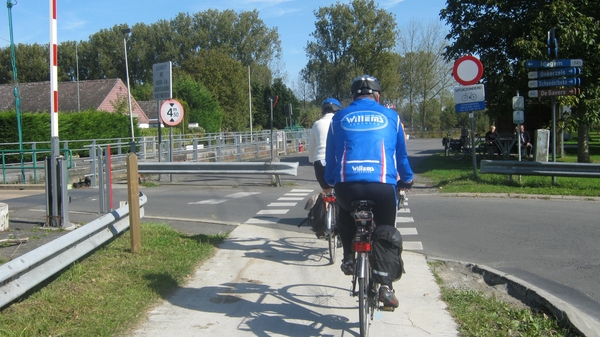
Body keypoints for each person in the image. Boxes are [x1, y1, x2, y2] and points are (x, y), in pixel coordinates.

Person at [324, 75, 414, 308]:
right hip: (382, 186)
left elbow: (331, 157)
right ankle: (385, 287)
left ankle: (348, 259)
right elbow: (401, 156)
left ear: (353, 96)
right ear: (378, 96)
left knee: (345, 210)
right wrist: (408, 179)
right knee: (385, 230)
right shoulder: (392, 117)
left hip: (348, 186)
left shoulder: (339, 118)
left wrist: (330, 180)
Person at [307, 98, 342, 193]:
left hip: (320, 162)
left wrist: (311, 160)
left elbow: (311, 147)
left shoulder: (317, 124)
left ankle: (327, 206)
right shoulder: (340, 123)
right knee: (341, 193)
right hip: (337, 161)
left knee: (326, 193)